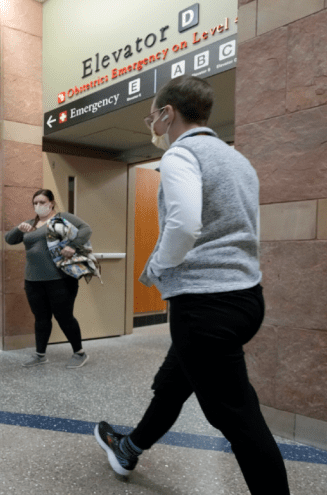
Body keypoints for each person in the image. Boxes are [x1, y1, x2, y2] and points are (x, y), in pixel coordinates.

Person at [93, 76, 289, 494]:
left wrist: (158, 265)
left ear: (169, 113)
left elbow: (184, 224)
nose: (152, 126)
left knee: (238, 418)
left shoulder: (182, 154)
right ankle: (129, 447)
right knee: (175, 379)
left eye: (153, 116)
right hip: (245, 297)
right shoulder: (237, 159)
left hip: (204, 305)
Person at [5, 189, 91, 369]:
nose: (38, 206)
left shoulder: (62, 217)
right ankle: (40, 355)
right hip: (33, 280)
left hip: (59, 278)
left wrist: (73, 246)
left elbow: (86, 229)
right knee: (41, 318)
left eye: (42, 202)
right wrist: (19, 228)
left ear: (51, 203)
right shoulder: (31, 224)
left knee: (64, 316)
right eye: (35, 203)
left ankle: (80, 353)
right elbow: (9, 239)